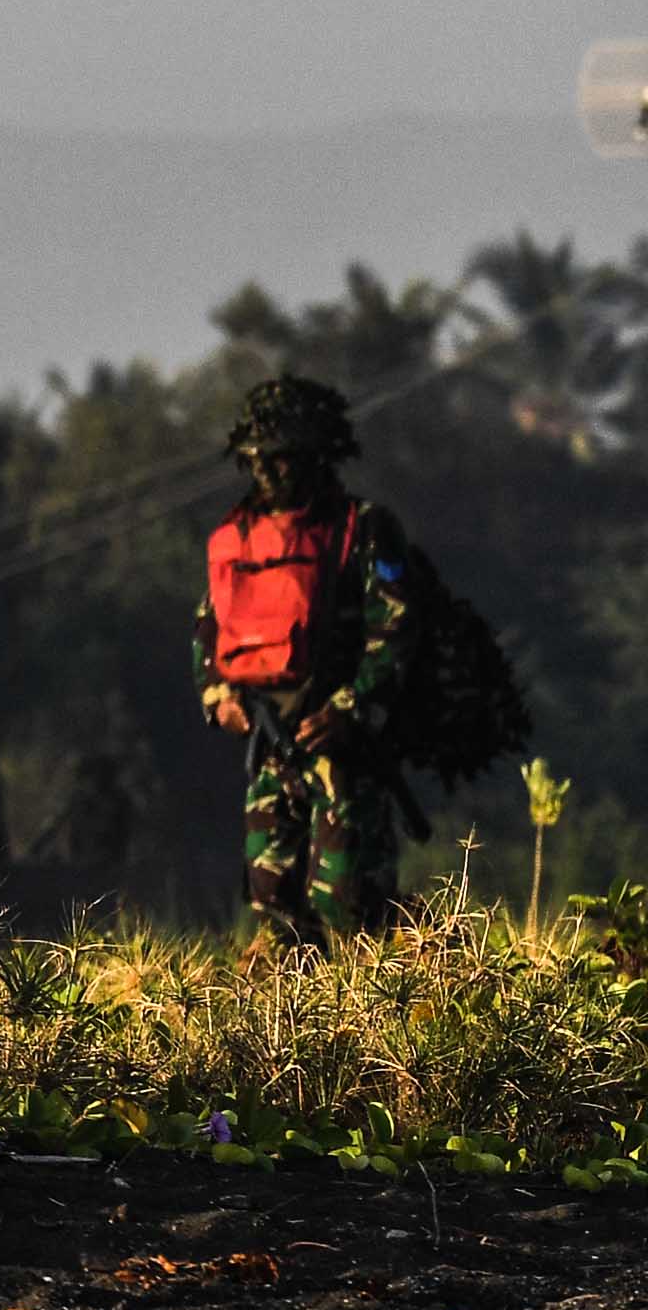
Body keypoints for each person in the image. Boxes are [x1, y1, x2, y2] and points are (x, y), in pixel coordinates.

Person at [195, 374, 416, 944]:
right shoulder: (238, 540)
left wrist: (350, 706)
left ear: (318, 455)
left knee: (346, 901)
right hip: (269, 742)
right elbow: (209, 629)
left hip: (342, 743)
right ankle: (297, 1022)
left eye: (282, 460)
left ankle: (427, 957)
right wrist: (217, 696)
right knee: (274, 899)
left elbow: (394, 631)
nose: (267, 473)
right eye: (257, 461)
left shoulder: (361, 529)